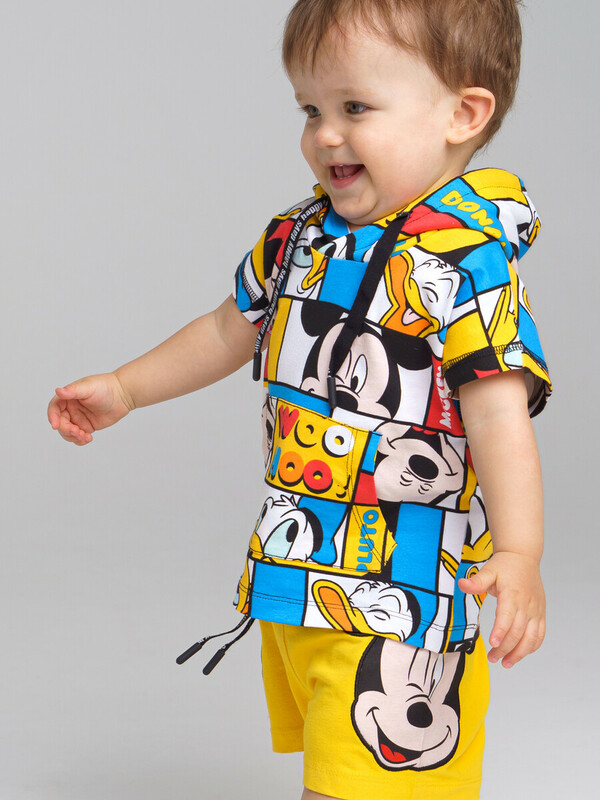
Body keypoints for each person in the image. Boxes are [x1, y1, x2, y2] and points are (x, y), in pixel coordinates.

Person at [47, 1, 551, 798]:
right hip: (303, 578)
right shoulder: (299, 237)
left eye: (356, 107)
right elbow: (228, 328)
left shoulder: (465, 268)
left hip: (400, 604)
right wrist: (127, 388)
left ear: (463, 113)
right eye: (311, 109)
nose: (325, 135)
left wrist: (520, 553)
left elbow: (498, 414)